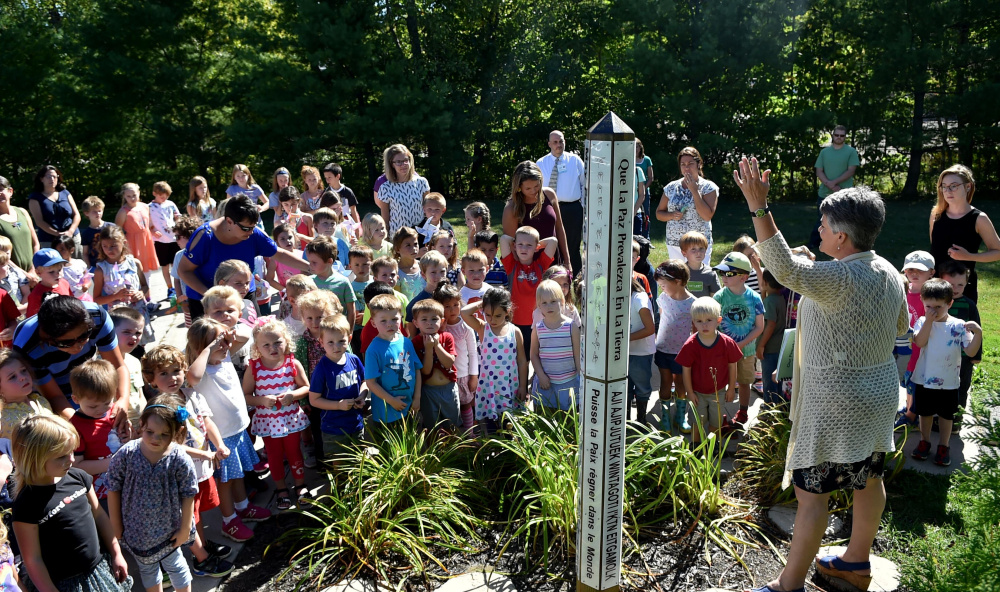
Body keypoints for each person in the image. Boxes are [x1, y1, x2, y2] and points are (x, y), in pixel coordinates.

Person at [733, 156, 908, 592]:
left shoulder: (837, 277)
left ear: (843, 237)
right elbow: (902, 327)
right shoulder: (887, 269)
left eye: (825, 225)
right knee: (869, 477)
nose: (820, 230)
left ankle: (787, 585)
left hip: (836, 406)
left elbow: (785, 270)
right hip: (880, 394)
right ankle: (855, 562)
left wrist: (759, 206)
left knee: (814, 496)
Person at [140, 345, 234, 578]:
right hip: (180, 473)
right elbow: (168, 445)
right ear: (151, 380)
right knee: (188, 516)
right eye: (163, 373)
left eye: (176, 371)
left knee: (198, 511)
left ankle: (200, 543)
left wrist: (219, 444)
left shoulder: (192, 395)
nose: (172, 378)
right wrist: (205, 455)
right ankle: (201, 560)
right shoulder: (157, 410)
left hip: (201, 468)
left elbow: (207, 423)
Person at [12, 415, 133, 592]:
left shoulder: (78, 476)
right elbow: (33, 559)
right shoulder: (27, 504)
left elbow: (99, 516)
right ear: (34, 458)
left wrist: (116, 553)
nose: (71, 459)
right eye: (61, 456)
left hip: (99, 570)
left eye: (72, 452)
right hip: (64, 585)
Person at [186, 318, 271, 543]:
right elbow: (191, 377)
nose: (224, 346)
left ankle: (242, 506)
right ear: (202, 348)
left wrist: (226, 336)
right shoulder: (203, 370)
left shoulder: (223, 359)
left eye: (224, 342)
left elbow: (246, 335)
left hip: (237, 430)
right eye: (218, 344)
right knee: (225, 481)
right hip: (221, 437)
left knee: (238, 474)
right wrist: (208, 349)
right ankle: (229, 520)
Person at [107, 398, 197, 592]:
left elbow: (189, 495)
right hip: (137, 532)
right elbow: (113, 488)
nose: (156, 439)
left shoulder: (179, 459)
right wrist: (116, 525)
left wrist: (184, 529)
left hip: (170, 529)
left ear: (177, 432)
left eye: (164, 434)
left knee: (176, 566)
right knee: (147, 570)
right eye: (150, 432)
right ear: (141, 426)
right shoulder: (126, 455)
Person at [177, 196, 309, 321]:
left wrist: (310, 267)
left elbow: (278, 253)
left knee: (253, 337)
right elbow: (183, 271)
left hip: (244, 293)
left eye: (253, 226)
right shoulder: (205, 236)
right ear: (229, 221)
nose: (251, 232)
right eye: (246, 228)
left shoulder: (253, 233)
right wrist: (212, 295)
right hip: (206, 299)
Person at [14, 296, 133, 426]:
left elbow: (117, 366)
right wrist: (83, 424)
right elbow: (55, 397)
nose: (78, 346)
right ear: (48, 338)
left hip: (85, 381)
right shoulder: (28, 346)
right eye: (67, 343)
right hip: (55, 390)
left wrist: (123, 400)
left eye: (84, 336)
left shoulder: (98, 316)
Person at [909, 278, 982, 467]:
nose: (933, 311)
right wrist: (928, 322)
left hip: (948, 381)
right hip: (924, 379)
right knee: (924, 413)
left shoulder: (958, 325)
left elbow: (971, 351)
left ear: (950, 303)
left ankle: (944, 445)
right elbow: (920, 342)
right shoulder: (923, 321)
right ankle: (924, 441)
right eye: (928, 306)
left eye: (938, 307)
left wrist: (979, 334)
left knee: (946, 415)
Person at [241, 317, 311, 509]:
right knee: (274, 454)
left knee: (295, 452)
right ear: (257, 347)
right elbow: (245, 395)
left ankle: (300, 485)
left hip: (291, 419)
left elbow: (306, 387)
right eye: (266, 345)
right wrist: (261, 400)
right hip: (268, 422)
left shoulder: (292, 363)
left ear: (286, 341)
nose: (273, 348)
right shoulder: (254, 368)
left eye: (277, 342)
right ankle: (281, 488)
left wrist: (293, 395)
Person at [928, 164, 1000, 303]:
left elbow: (998, 251)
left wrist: (969, 256)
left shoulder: (979, 218)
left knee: (963, 325)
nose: (948, 190)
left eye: (954, 186)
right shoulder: (936, 215)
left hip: (962, 289)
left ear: (968, 187)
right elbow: (935, 249)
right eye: (944, 186)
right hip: (935, 286)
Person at [676, 297, 742, 444]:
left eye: (708, 320)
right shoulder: (691, 344)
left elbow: (733, 365)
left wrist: (731, 388)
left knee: (716, 422)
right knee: (697, 422)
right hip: (697, 393)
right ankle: (696, 447)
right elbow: (685, 369)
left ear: (718, 320)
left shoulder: (727, 343)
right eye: (699, 321)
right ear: (693, 322)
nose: (704, 325)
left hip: (718, 392)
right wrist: (690, 392)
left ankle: (714, 447)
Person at [461, 288, 527, 433]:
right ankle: (492, 451)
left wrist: (523, 386)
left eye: (498, 315)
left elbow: (522, 361)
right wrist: (483, 303)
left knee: (510, 425)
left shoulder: (515, 331)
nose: (492, 320)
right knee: (490, 426)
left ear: (507, 311)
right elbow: (464, 312)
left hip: (509, 384)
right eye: (488, 315)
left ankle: (509, 452)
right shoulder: (483, 328)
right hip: (489, 386)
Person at [308, 314, 367, 468]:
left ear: (349, 338)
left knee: (358, 461)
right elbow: (314, 399)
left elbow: (364, 381)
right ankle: (341, 490)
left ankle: (357, 490)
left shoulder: (354, 359)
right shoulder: (322, 369)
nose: (336, 347)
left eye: (341, 341)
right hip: (334, 428)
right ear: (321, 342)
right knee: (340, 465)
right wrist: (338, 405)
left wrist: (362, 395)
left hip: (356, 422)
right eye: (331, 342)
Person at [712, 252, 764, 426]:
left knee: (744, 381)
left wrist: (740, 344)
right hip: (721, 351)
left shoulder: (754, 298)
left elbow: (759, 326)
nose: (723, 277)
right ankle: (718, 413)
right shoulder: (719, 297)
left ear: (744, 277)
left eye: (728, 273)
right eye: (721, 273)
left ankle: (742, 411)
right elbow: (712, 323)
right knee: (719, 382)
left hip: (746, 351)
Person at [364, 293, 423, 434]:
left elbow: (417, 370)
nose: (389, 324)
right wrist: (391, 400)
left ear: (401, 318)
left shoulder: (406, 342)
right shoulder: (373, 350)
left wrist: (417, 398)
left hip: (409, 406)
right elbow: (371, 382)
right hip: (386, 411)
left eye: (394, 319)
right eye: (383, 320)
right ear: (373, 323)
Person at [503, 160, 572, 273]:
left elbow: (559, 228)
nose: (534, 191)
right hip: (529, 268)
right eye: (528, 188)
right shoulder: (512, 207)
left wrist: (567, 260)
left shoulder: (549, 195)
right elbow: (511, 245)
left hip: (553, 261)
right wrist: (521, 272)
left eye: (536, 185)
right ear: (519, 187)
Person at [655, 147, 720, 262]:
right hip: (675, 244)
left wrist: (695, 191)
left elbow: (707, 216)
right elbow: (659, 213)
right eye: (683, 164)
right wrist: (672, 215)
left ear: (699, 164)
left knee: (698, 278)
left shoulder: (708, 187)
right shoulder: (671, 187)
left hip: (698, 245)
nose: (687, 167)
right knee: (678, 278)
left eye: (690, 163)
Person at [93, 225, 155, 344]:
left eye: (113, 246)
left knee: (140, 344)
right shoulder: (101, 270)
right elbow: (97, 300)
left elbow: (144, 285)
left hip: (138, 313)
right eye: (104, 246)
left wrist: (141, 293)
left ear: (124, 243)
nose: (109, 250)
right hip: (120, 317)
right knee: (126, 345)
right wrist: (116, 296)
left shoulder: (134, 263)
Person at [653, 260, 695, 434]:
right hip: (663, 348)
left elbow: (694, 328)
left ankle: (680, 416)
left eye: (663, 285)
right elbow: (663, 318)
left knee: (681, 383)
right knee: (665, 383)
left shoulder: (693, 303)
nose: (661, 288)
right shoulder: (663, 298)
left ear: (677, 282)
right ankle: (665, 417)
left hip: (682, 352)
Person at [500, 227, 558, 347]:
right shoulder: (511, 266)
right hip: (515, 322)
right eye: (520, 244)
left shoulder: (541, 265)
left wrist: (536, 244)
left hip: (537, 323)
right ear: (514, 246)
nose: (524, 248)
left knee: (535, 356)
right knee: (520, 359)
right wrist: (519, 242)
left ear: (536, 248)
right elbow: (504, 239)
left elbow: (553, 241)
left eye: (529, 245)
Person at [535, 132, 583, 274]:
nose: (558, 145)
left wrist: (584, 207)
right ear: (549, 144)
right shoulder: (541, 163)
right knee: (550, 242)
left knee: (572, 244)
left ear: (565, 142)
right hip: (548, 208)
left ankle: (574, 276)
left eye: (560, 141)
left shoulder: (575, 160)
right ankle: (551, 274)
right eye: (555, 142)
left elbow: (585, 184)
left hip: (572, 209)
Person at [939, 260, 981, 423]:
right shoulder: (938, 303)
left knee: (961, 387)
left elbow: (978, 329)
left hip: (964, 355)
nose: (955, 289)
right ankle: (941, 416)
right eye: (951, 284)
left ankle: (956, 419)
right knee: (942, 386)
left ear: (966, 284)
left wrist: (976, 354)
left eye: (960, 285)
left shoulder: (969, 305)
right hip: (942, 354)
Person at [529, 280, 581, 413]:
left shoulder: (571, 326)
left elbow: (577, 354)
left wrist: (581, 379)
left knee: (568, 422)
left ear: (562, 301)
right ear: (539, 307)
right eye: (544, 303)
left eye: (553, 301)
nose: (549, 306)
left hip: (569, 383)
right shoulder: (538, 328)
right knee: (546, 421)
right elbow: (534, 354)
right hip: (546, 384)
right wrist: (540, 375)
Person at [433, 284, 478, 435]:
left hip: (463, 376)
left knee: (466, 406)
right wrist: (442, 330)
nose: (452, 310)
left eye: (456, 305)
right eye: (447, 306)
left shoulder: (466, 326)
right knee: (448, 408)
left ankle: (469, 434)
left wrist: (473, 376)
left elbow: (473, 353)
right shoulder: (436, 327)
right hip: (445, 378)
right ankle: (450, 437)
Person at [410, 299, 461, 431]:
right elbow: (425, 372)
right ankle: (435, 450)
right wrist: (428, 349)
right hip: (428, 391)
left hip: (448, 388)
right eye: (424, 319)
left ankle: (455, 450)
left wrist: (437, 345)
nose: (429, 323)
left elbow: (449, 363)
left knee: (452, 424)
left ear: (442, 321)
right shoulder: (415, 343)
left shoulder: (447, 337)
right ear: (416, 323)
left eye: (434, 319)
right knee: (432, 426)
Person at [809, 125, 860, 249]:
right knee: (822, 220)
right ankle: (815, 243)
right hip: (824, 193)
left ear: (845, 137)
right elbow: (819, 170)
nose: (839, 137)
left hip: (844, 193)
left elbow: (851, 171)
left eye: (842, 135)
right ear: (833, 135)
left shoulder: (851, 152)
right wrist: (829, 183)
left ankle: (843, 244)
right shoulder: (824, 152)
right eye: (836, 135)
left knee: (844, 220)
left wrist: (834, 183)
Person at [375, 145, 430, 237]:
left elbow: (429, 209)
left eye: (405, 160)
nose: (403, 164)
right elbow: (385, 219)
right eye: (398, 162)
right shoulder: (385, 187)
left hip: (420, 234)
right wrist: (386, 238)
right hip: (398, 236)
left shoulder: (422, 182)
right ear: (392, 164)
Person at [28, 165, 82, 256]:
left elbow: (77, 215)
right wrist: (58, 234)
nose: (52, 179)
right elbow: (39, 222)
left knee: (76, 266)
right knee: (54, 268)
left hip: (72, 237)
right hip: (49, 241)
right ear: (41, 179)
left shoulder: (65, 193)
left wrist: (70, 231)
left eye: (54, 176)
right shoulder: (35, 198)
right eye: (49, 177)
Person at [0, 349, 54, 441]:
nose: (22, 377)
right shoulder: (3, 420)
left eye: (23, 370)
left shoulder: (40, 400)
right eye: (12, 377)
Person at [113, 183, 160, 287]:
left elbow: (149, 223)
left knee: (147, 269)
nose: (132, 198)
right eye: (128, 196)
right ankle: (139, 294)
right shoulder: (123, 212)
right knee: (136, 269)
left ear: (139, 193)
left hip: (146, 241)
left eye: (134, 195)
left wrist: (153, 230)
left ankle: (148, 295)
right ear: (124, 196)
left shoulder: (144, 206)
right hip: (133, 243)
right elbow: (117, 230)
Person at [756, 270, 787, 406]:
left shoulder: (769, 301)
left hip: (769, 347)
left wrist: (761, 345)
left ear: (766, 282)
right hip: (779, 345)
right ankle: (779, 405)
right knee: (778, 378)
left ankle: (769, 406)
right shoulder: (780, 298)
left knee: (768, 379)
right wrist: (763, 292)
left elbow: (770, 324)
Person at [0, 175, 40, 274]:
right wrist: (24, 275)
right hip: (11, 275)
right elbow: (1, 254)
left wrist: (33, 269)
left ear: (10, 191)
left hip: (34, 272)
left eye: (1, 189)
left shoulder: (22, 212)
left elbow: (35, 244)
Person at [149, 181, 183, 294]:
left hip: (173, 238)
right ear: (154, 193)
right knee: (164, 266)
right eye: (161, 196)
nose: (164, 198)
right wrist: (153, 230)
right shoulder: (149, 207)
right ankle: (170, 288)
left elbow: (177, 216)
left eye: (166, 196)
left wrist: (178, 220)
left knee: (176, 264)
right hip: (160, 241)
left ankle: (180, 285)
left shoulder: (170, 204)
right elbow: (148, 224)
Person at [26, 248, 71, 318]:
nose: (57, 274)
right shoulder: (36, 295)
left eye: (59, 270)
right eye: (51, 272)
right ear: (38, 272)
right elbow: (32, 319)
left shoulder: (64, 283)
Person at [52, 234, 92, 303]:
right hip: (65, 301)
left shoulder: (79, 263)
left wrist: (86, 285)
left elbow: (87, 277)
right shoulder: (53, 268)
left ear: (72, 250)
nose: (59, 253)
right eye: (56, 250)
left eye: (62, 250)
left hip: (83, 299)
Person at [393, 227, 424, 301]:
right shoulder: (396, 272)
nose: (414, 248)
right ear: (397, 249)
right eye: (408, 245)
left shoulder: (423, 266)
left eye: (415, 244)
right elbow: (397, 298)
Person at [636, 139, 655, 238]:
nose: (635, 149)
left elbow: (651, 177)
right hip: (632, 192)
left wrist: (643, 188)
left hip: (644, 191)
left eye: (637, 146)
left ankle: (646, 236)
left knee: (645, 214)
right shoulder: (628, 159)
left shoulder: (646, 159)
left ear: (640, 148)